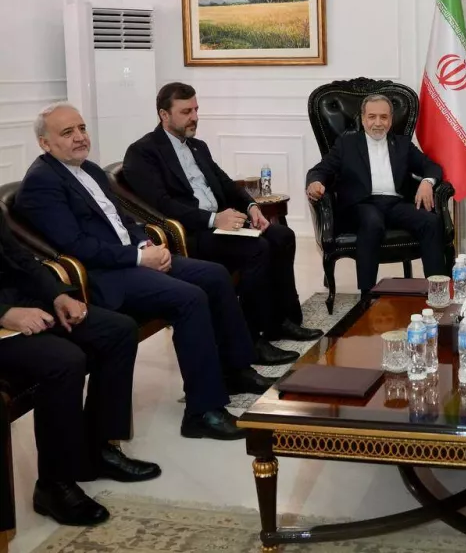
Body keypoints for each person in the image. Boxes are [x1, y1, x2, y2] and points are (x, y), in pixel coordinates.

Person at [18, 102, 270, 441]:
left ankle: (235, 369)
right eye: (67, 132)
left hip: (131, 258)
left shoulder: (89, 169)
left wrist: (146, 247)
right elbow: (77, 246)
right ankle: (202, 411)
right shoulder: (42, 183)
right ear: (44, 143)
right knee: (190, 298)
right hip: (104, 276)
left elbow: (125, 221)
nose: (80, 137)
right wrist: (137, 258)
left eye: (81, 128)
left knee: (213, 275)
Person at [122, 82, 321, 363]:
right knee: (258, 249)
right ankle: (252, 340)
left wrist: (251, 206)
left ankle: (280, 321)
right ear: (164, 115)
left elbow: (226, 184)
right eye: (186, 111)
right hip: (191, 233)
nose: (194, 117)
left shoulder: (197, 146)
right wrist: (214, 219)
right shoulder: (143, 152)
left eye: (196, 109)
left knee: (282, 235)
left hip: (222, 223)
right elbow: (162, 205)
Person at [0, 209, 159, 527]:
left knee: (118, 330)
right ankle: (53, 485)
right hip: (5, 320)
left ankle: (98, 451)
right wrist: (4, 314)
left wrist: (58, 296)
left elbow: (20, 257)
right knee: (64, 361)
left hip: (22, 304)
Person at [305, 94, 448, 296]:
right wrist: (315, 182)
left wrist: (427, 182)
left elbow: (431, 167)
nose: (378, 123)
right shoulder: (347, 144)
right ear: (363, 119)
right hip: (361, 205)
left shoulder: (403, 144)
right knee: (372, 221)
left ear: (391, 119)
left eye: (384, 117)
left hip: (395, 204)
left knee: (430, 222)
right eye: (372, 117)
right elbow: (320, 169)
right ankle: (367, 294)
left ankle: (437, 291)